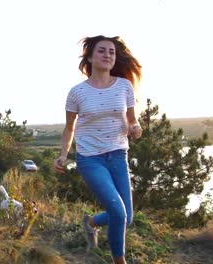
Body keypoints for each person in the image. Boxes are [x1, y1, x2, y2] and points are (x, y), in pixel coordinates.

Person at [54, 35, 143, 264]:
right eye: (102, 51)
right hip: (91, 159)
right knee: (118, 212)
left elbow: (132, 120)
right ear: (91, 57)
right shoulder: (77, 93)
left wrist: (135, 128)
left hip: (118, 155)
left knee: (127, 217)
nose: (107, 55)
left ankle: (91, 222)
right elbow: (69, 128)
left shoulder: (124, 86)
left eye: (111, 52)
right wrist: (63, 155)